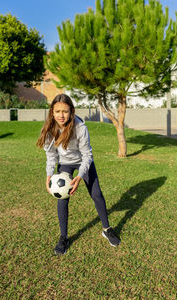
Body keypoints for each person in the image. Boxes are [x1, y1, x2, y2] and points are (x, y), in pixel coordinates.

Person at [37, 94, 120, 255]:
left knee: (96, 194)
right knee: (62, 198)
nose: (61, 115)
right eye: (57, 111)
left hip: (83, 161)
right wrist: (49, 174)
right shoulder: (49, 129)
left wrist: (80, 176)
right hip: (65, 163)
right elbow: (51, 155)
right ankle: (63, 237)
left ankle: (106, 229)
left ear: (71, 112)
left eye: (65, 111)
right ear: (52, 112)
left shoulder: (80, 127)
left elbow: (87, 155)